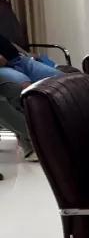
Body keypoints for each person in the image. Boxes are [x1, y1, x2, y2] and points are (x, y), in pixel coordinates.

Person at [0, 33, 63, 161]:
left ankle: (64, 127)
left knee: (64, 81)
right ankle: (39, 140)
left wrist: (28, 54)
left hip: (21, 60)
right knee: (26, 89)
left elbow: (9, 43)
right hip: (4, 67)